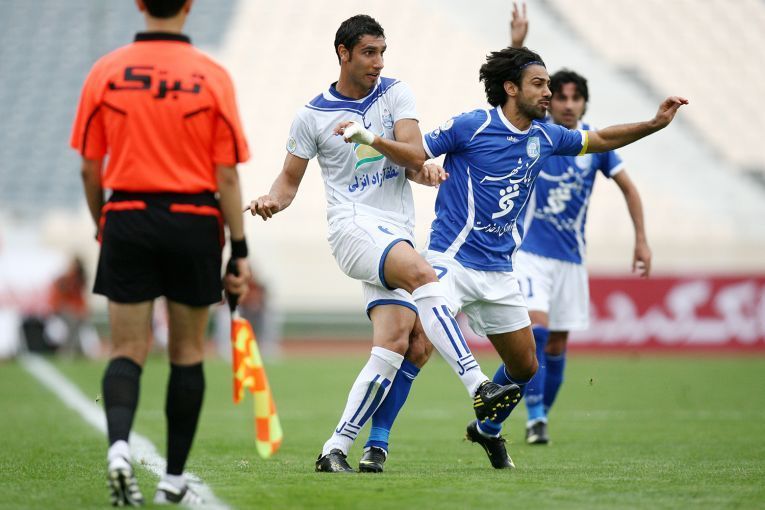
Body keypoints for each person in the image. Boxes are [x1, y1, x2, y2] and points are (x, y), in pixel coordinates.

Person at [341, 43, 686, 468]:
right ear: (511, 88)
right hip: (451, 260)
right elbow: (415, 154)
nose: (548, 93)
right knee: (416, 345)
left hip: (501, 270)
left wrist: (653, 124)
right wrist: (388, 150)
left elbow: (600, 140)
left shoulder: (547, 135)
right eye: (539, 84)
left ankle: (487, 429)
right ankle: (377, 444)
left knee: (525, 365)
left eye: (548, 85)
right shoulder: (471, 126)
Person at [249, 14, 520, 473]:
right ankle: (478, 385)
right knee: (424, 275)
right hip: (352, 229)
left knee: (397, 344)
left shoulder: (396, 93)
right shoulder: (312, 115)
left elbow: (413, 153)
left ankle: (335, 448)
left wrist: (420, 170)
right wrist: (271, 200)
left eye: (381, 53)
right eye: (369, 53)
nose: (377, 62)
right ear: (344, 53)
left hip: (395, 230)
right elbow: (288, 182)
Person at [70, 0, 251, 505]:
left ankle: (119, 448)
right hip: (194, 221)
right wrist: (239, 250)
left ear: (139, 4)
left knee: (126, 349)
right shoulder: (212, 76)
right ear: (188, 6)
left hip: (127, 215)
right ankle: (172, 478)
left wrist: (103, 224)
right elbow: (227, 175)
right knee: (187, 354)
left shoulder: (106, 72)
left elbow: (89, 168)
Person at [506, 3, 652, 445]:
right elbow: (510, 98)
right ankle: (534, 416)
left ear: (584, 102)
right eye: (561, 97)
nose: (568, 104)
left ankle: (538, 418)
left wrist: (641, 240)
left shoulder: (594, 146)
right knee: (536, 333)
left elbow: (629, 188)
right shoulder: (539, 133)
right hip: (530, 253)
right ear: (551, 100)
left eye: (576, 98)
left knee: (557, 346)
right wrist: (517, 45)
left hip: (571, 259)